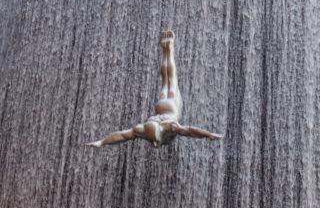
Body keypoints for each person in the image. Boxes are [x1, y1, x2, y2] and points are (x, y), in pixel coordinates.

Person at [87, 30, 222, 148]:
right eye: (154, 122)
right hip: (171, 106)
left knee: (166, 79)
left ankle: (166, 50)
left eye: (151, 120)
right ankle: (169, 49)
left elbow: (122, 135)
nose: (154, 119)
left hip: (162, 104)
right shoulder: (170, 126)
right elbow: (190, 131)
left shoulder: (142, 129)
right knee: (171, 79)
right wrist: (208, 135)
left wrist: (102, 142)